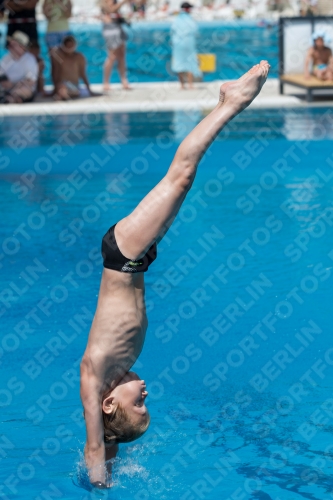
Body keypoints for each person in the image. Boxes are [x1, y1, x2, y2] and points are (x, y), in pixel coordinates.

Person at [80, 60, 270, 488]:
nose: (147, 397)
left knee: (181, 176)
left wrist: (99, 484)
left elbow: (95, 444)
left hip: (123, 254)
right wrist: (112, 455)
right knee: (182, 180)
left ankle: (230, 102)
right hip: (136, 260)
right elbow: (108, 440)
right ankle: (227, 103)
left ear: (108, 405)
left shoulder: (94, 377)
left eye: (140, 405)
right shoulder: (114, 382)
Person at [101, 0, 131, 92]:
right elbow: (110, 10)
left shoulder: (115, 2)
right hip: (110, 29)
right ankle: (106, 82)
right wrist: (123, 2)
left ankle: (124, 81)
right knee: (112, 57)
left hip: (118, 27)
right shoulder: (103, 2)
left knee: (122, 56)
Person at [0, 30, 38, 103]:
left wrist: (15, 85)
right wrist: (4, 81)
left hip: (22, 88)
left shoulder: (30, 59)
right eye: (10, 45)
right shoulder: (6, 58)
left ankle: (10, 99)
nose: (9, 47)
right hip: (7, 88)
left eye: (13, 45)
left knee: (24, 89)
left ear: (22, 47)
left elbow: (31, 81)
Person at [51, 35, 93, 100]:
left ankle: (63, 94)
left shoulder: (79, 57)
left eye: (71, 45)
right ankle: (63, 94)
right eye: (67, 46)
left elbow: (83, 74)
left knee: (70, 90)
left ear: (74, 45)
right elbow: (53, 51)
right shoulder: (60, 57)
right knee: (61, 86)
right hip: (62, 84)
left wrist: (89, 90)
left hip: (74, 85)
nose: (69, 48)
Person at [171, 2, 201, 90]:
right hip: (189, 43)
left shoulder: (176, 19)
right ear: (188, 9)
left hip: (178, 44)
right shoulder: (190, 19)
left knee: (179, 63)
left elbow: (173, 31)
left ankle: (182, 85)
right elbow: (195, 30)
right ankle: (190, 84)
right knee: (191, 62)